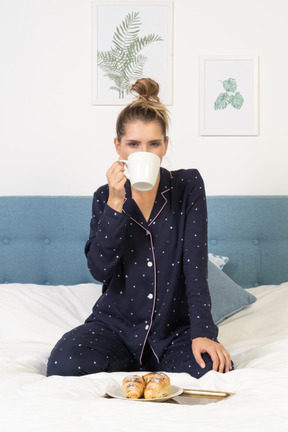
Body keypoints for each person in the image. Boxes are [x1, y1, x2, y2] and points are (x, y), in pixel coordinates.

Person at [47, 78, 232, 377]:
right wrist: (116, 204)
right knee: (63, 362)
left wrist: (203, 332)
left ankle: (156, 366)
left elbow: (195, 267)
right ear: (118, 147)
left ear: (165, 146)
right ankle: (131, 366)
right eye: (133, 144)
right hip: (116, 327)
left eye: (153, 144)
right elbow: (99, 270)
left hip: (175, 331)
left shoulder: (188, 186)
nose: (144, 152)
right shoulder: (105, 197)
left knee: (211, 368)